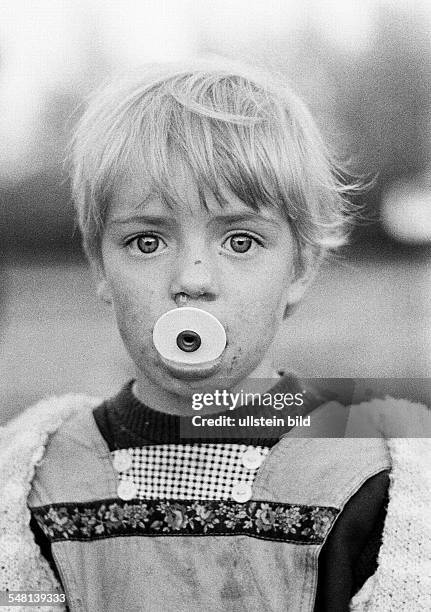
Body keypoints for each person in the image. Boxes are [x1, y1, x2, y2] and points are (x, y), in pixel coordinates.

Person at [0, 58, 430, 612]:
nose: (192, 280)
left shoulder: (373, 478)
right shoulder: (31, 482)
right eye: (148, 242)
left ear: (300, 269)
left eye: (242, 241)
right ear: (100, 267)